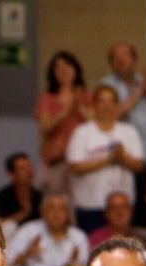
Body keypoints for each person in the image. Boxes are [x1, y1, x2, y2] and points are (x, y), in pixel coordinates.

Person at [67, 86, 144, 234]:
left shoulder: (129, 132)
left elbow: (139, 165)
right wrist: (109, 159)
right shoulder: (82, 132)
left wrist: (122, 158)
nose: (106, 106)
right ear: (94, 105)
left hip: (122, 206)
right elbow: (75, 166)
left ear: (117, 105)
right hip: (90, 205)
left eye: (110, 101)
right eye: (102, 101)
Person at [99, 42, 146, 170]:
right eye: (116, 57)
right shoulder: (106, 85)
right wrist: (139, 90)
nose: (121, 59)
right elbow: (111, 116)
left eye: (125, 55)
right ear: (111, 64)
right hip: (122, 158)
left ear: (134, 59)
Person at [34, 51, 92, 198]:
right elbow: (44, 127)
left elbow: (97, 124)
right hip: (56, 159)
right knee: (54, 201)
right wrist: (65, 111)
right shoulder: (47, 98)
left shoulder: (87, 96)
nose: (63, 70)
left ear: (76, 69)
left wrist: (79, 108)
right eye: (57, 67)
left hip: (82, 159)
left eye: (67, 65)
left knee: (80, 199)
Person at [0, 152, 42, 228]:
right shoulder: (2, 197)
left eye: (29, 166)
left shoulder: (39, 196)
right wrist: (22, 214)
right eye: (22, 168)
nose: (29, 172)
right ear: (11, 175)